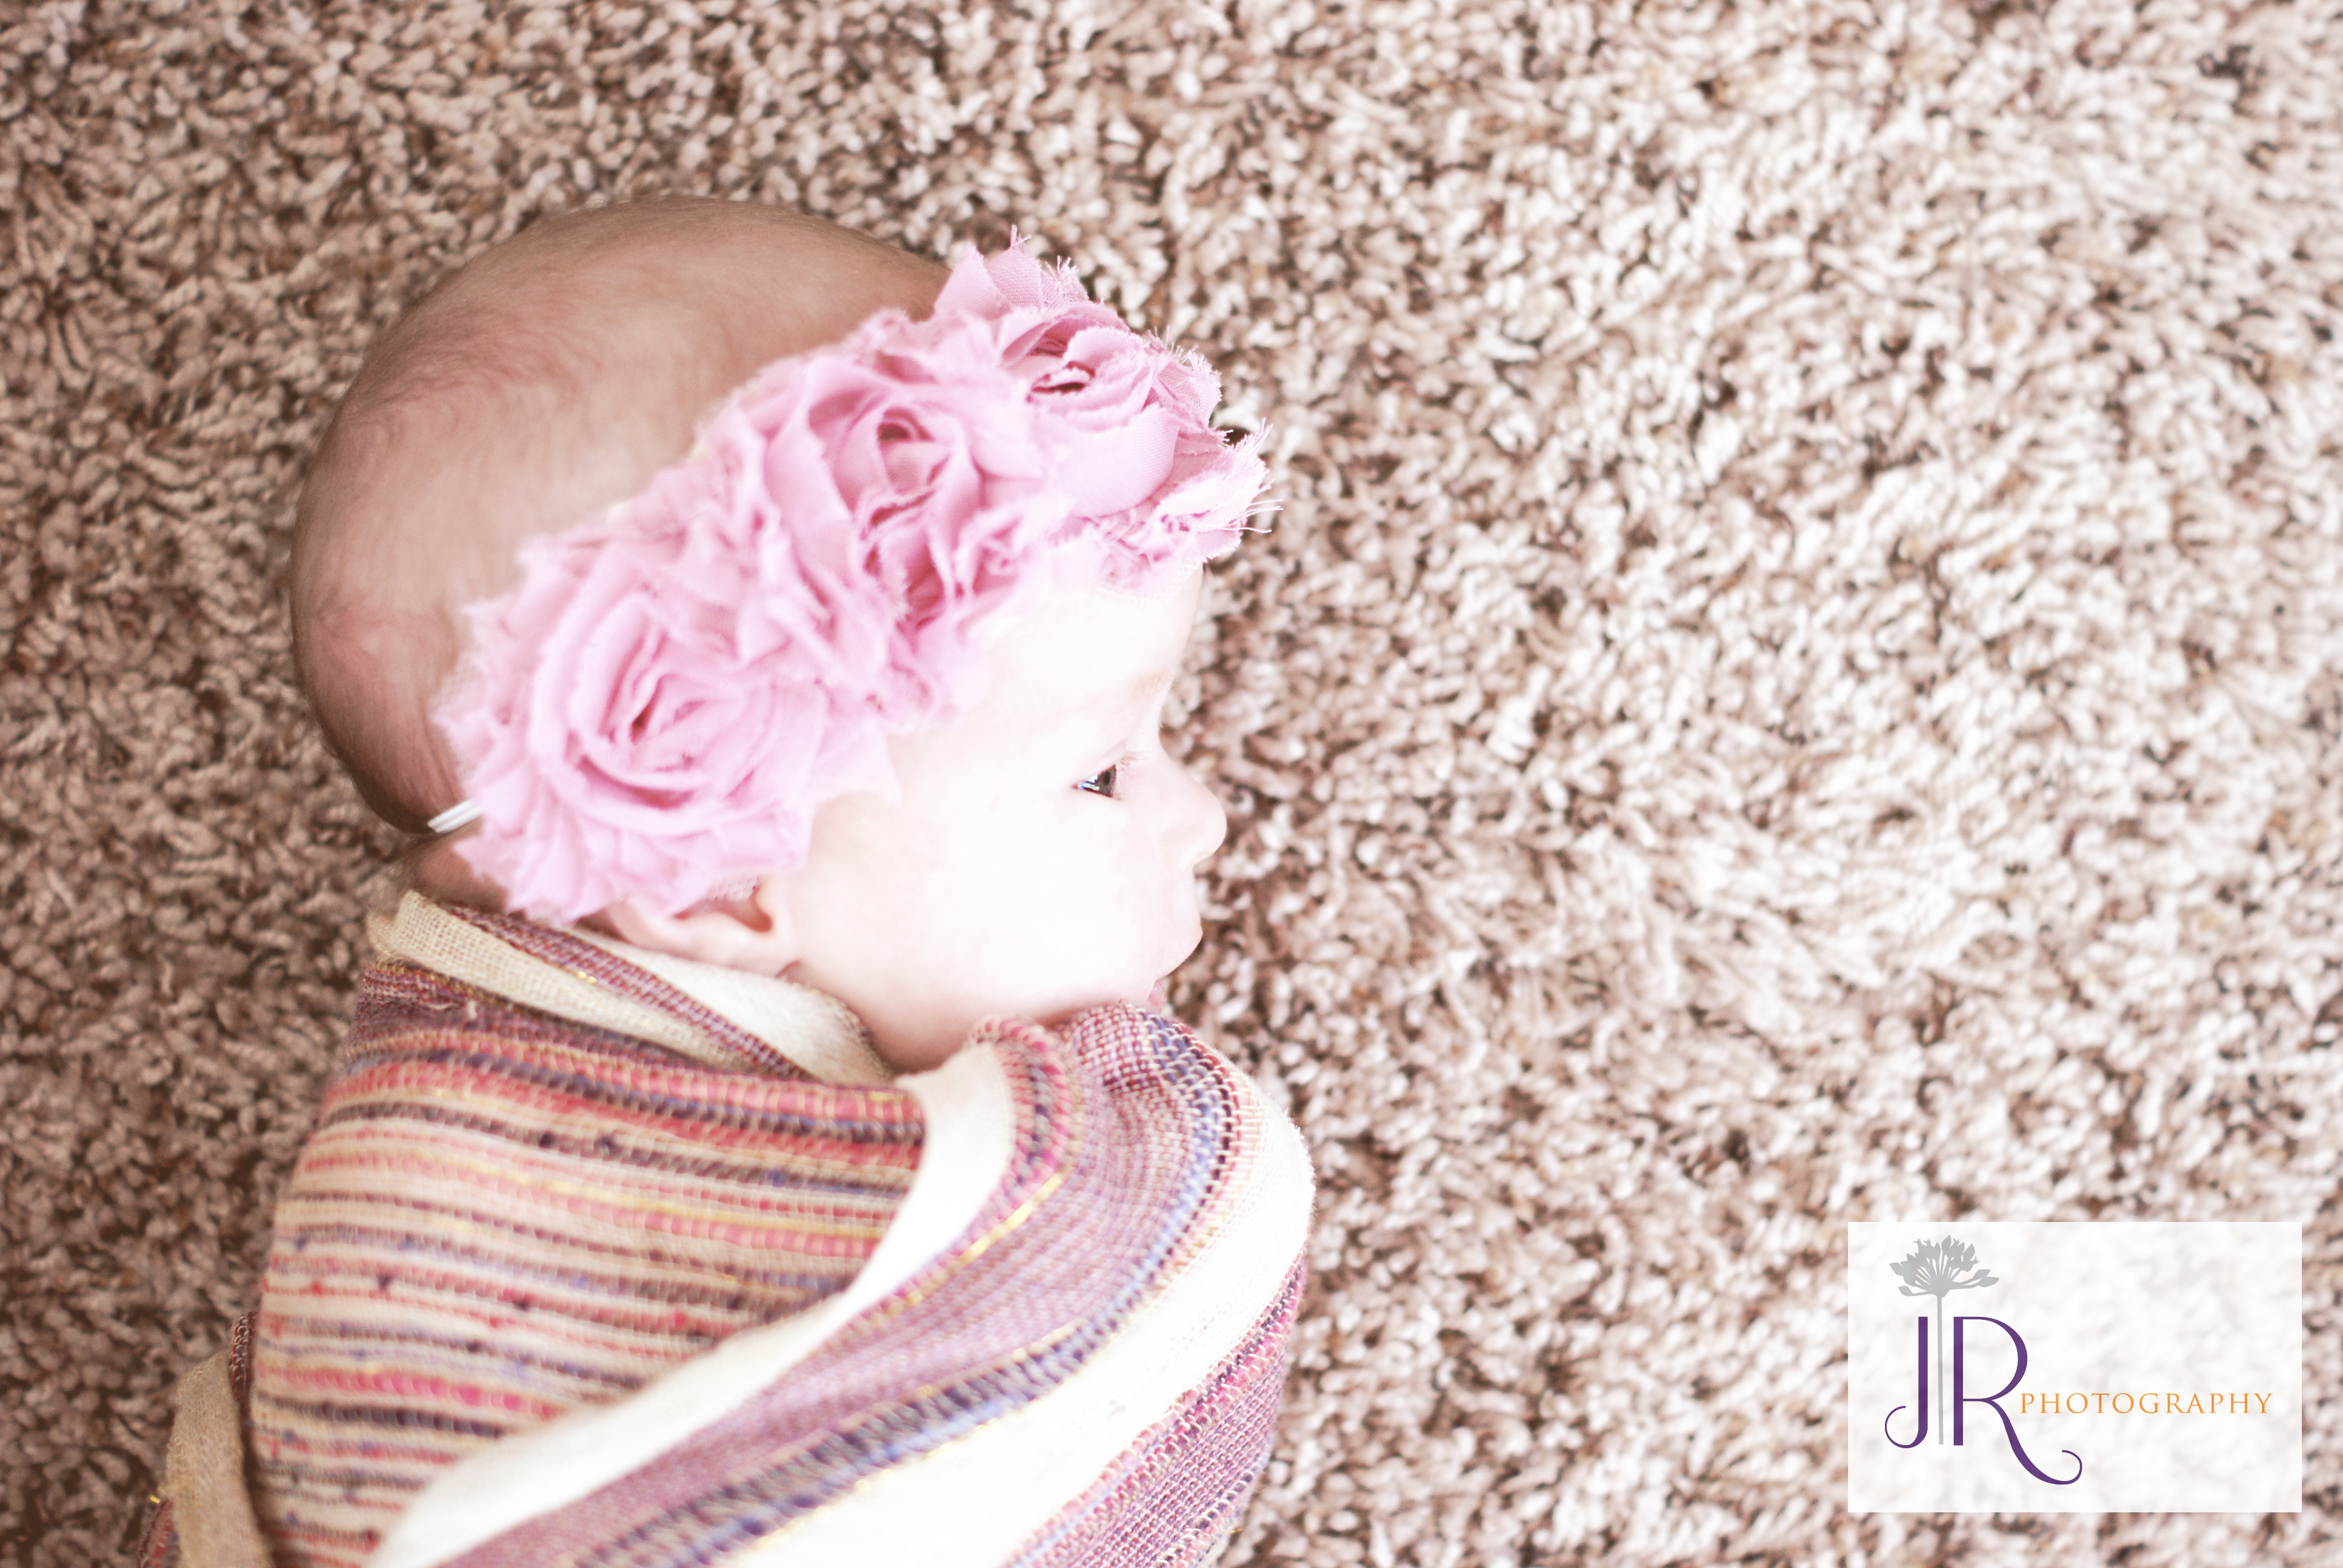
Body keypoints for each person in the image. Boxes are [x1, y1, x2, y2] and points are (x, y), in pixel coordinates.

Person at [143, 199, 1311, 1568]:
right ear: (723, 886)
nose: (1205, 820)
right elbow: (1121, 1249)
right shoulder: (474, 1205)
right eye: (1105, 772)